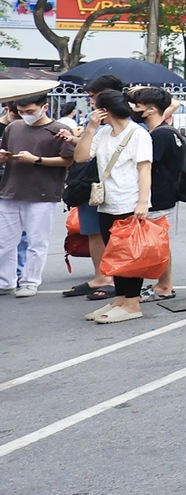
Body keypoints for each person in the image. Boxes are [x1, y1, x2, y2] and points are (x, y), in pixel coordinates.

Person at [72, 89, 152, 325]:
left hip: (129, 201)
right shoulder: (104, 133)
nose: (92, 109)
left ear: (104, 109)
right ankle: (120, 299)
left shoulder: (138, 134)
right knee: (113, 253)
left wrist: (142, 202)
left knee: (130, 255)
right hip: (107, 202)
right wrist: (90, 129)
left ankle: (132, 302)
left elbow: (144, 168)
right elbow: (80, 157)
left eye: (94, 105)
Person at [57, 72, 125, 300]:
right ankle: (100, 276)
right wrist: (77, 136)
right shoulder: (95, 123)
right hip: (89, 183)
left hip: (114, 187)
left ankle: (115, 279)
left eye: (95, 96)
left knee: (112, 234)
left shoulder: (129, 124)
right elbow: (84, 154)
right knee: (92, 232)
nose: (91, 101)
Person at [0, 91, 72, 297]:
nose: (25, 115)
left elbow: (68, 159)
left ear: (44, 107)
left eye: (30, 111)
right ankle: (5, 281)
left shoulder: (59, 129)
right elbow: (4, 150)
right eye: (21, 112)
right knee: (4, 241)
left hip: (42, 193)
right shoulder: (13, 128)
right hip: (10, 190)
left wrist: (37, 160)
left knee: (36, 241)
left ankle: (30, 281)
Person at [127, 87, 183, 302]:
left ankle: (165, 286)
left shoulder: (159, 136)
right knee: (161, 241)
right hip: (165, 194)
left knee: (159, 242)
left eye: (138, 106)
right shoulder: (166, 130)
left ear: (150, 110)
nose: (134, 109)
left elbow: (147, 167)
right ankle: (162, 284)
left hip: (158, 197)